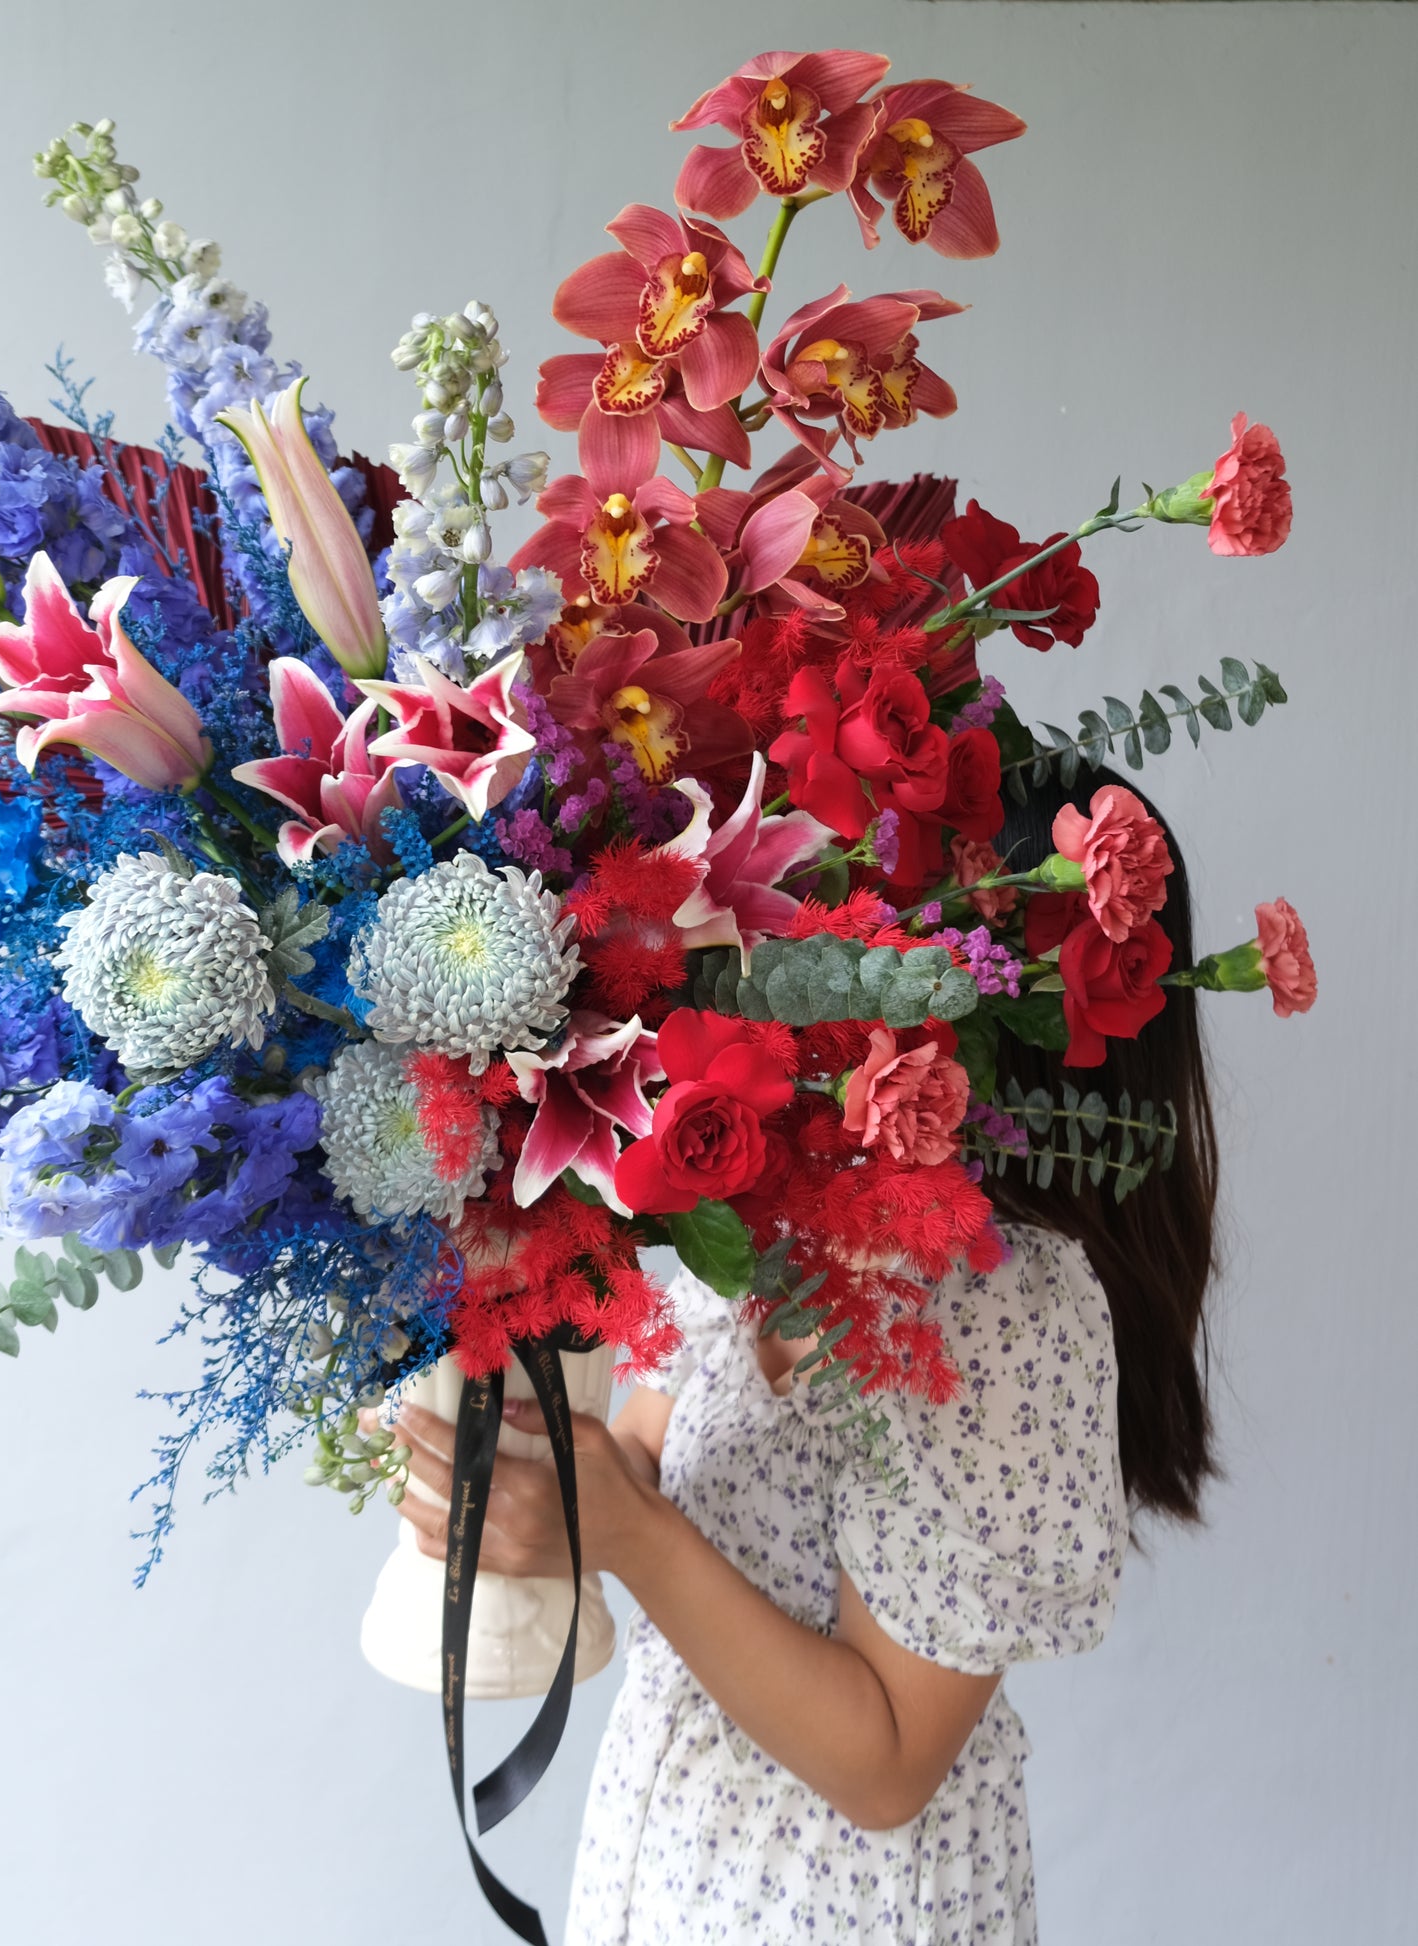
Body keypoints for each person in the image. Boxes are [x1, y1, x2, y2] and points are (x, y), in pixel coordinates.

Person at [387, 770, 1219, 1944]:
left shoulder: (1002, 1305)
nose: (826, 939)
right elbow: (649, 1458)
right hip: (669, 1868)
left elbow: (888, 1763)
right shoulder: (784, 1202)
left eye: (884, 919)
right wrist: (508, 1427)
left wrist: (624, 1531)